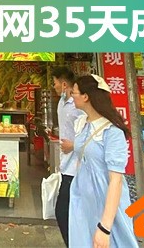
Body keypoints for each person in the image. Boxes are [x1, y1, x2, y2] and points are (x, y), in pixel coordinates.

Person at [69, 75, 138, 248]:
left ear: (85, 96)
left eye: (74, 92)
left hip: (105, 200)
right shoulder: (82, 123)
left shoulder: (112, 131)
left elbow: (116, 180)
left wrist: (105, 227)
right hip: (83, 200)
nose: (71, 96)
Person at [51, 66, 84, 247]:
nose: (53, 86)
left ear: (64, 84)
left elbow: (91, 131)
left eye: (55, 83)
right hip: (66, 165)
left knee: (62, 211)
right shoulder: (61, 103)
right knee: (67, 212)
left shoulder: (80, 105)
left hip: (78, 167)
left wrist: (74, 145)